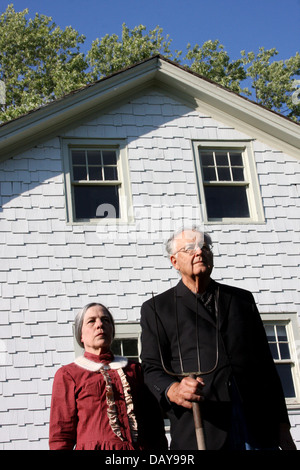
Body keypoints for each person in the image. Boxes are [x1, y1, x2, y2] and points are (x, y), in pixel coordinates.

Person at [140, 227, 296, 450]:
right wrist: (173, 390)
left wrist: (282, 427)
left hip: (256, 425)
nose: (199, 252)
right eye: (190, 248)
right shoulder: (158, 309)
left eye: (204, 247)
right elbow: (151, 369)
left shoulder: (241, 300)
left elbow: (266, 368)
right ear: (174, 261)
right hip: (203, 425)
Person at [49, 302, 167, 450]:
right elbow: (61, 435)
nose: (99, 325)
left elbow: (154, 424)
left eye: (105, 320)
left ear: (112, 330)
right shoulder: (69, 374)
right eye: (91, 321)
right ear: (81, 335)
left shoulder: (134, 369)